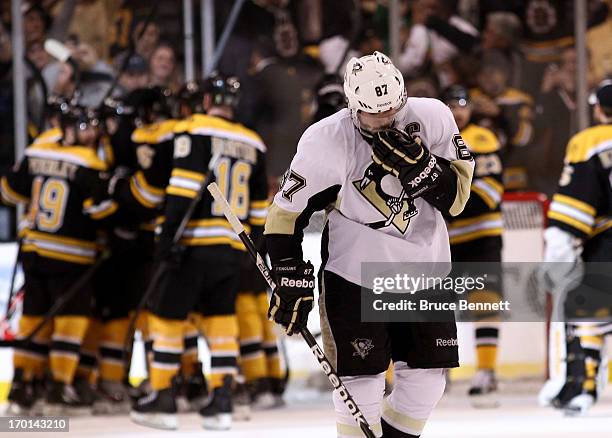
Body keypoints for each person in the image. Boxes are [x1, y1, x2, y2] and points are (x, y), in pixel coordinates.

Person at [264, 51, 474, 437]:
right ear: (351, 104)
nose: (386, 120)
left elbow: (457, 200)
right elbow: (285, 216)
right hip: (354, 275)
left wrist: (423, 171)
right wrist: (288, 274)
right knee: (361, 390)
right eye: (374, 113)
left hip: (426, 270)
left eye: (392, 109)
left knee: (427, 384)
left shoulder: (433, 116)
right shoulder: (325, 140)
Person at [130, 74, 269, 431]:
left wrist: (166, 243)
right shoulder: (253, 142)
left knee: (168, 318)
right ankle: (222, 399)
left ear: (207, 100)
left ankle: (163, 397)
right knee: (222, 319)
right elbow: (257, 211)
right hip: (230, 250)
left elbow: (181, 192)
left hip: (192, 245)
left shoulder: (192, 130)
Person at [1, 105, 118, 415]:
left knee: (34, 319)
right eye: (83, 128)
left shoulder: (38, 150)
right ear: (68, 129)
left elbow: (9, 192)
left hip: (35, 249)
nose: (90, 134)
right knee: (70, 322)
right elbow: (100, 211)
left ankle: (23, 386)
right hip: (72, 254)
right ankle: (58, 388)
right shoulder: (90, 162)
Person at [538, 79, 612, 416]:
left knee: (586, 311)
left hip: (606, 244)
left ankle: (583, 387)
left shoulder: (590, 142)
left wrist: (558, 249)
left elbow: (574, 209)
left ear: (598, 109)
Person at [442, 85, 504, 408]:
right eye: (451, 105)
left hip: (481, 238)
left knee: (485, 303)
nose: (457, 111)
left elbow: (491, 191)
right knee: (438, 308)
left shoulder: (482, 139)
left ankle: (486, 370)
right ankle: (441, 366)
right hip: (446, 243)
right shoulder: (433, 140)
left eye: (462, 105)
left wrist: (447, 205)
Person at [471, 50, 535, 190]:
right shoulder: (470, 99)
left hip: (513, 173)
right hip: (478, 175)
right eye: (483, 73)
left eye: (493, 72)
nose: (488, 78)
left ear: (505, 74)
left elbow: (524, 138)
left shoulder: (519, 100)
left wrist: (500, 114)